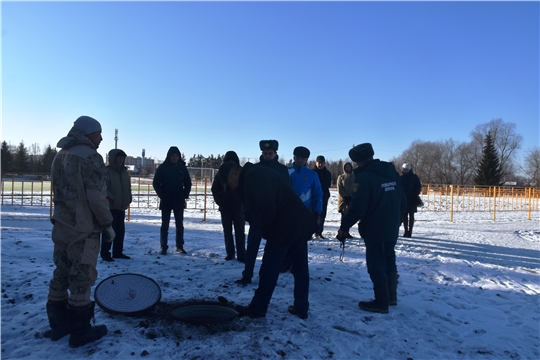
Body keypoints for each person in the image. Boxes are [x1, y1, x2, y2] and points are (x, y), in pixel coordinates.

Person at [218, 160, 317, 319]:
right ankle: (301, 307)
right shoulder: (255, 173)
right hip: (298, 222)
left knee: (269, 268)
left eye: (228, 182)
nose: (230, 187)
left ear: (234, 173)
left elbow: (266, 208)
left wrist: (268, 233)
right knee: (300, 268)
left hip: (283, 225)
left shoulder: (253, 177)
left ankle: (258, 307)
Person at [46, 116, 112, 348]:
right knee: (82, 274)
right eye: (98, 133)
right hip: (83, 227)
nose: (101, 137)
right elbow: (96, 196)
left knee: (61, 271)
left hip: (62, 224)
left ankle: (58, 325)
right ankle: (80, 331)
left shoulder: (60, 155)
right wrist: (106, 223)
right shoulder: (91, 156)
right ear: (87, 134)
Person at [337, 143, 406, 314]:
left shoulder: (364, 177)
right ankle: (391, 297)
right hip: (392, 226)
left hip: (375, 227)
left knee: (376, 264)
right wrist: (398, 219)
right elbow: (402, 199)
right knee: (389, 258)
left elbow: (358, 207)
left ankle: (381, 302)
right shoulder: (391, 172)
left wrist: (344, 227)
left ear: (356, 161)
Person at [235, 140, 290, 285]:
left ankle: (266, 277)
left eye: (270, 153)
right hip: (257, 217)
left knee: (271, 251)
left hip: (275, 218)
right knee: (252, 248)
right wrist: (246, 211)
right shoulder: (255, 169)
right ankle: (247, 275)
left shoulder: (282, 171)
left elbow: (286, 193)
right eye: (265, 153)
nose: (267, 156)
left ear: (276, 153)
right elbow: (247, 192)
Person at [153, 146, 192, 255]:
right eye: (173, 156)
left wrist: (184, 195)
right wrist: (161, 194)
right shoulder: (162, 168)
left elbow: (188, 183)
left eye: (176, 156)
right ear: (169, 156)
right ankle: (163, 246)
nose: (174, 158)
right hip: (166, 200)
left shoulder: (182, 168)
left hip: (178, 200)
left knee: (179, 225)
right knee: (165, 225)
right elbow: (156, 183)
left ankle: (180, 246)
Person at [211, 151, 246, 262]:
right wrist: (220, 202)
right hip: (225, 207)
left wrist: (243, 203)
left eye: (232, 161)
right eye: (229, 161)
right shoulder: (221, 173)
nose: (230, 163)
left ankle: (241, 254)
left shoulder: (240, 172)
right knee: (227, 231)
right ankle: (230, 253)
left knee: (240, 232)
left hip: (238, 207)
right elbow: (214, 189)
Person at [100, 149, 132, 261]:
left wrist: (129, 197)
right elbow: (103, 188)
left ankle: (118, 252)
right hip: (111, 207)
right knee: (109, 231)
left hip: (121, 206)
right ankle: (105, 253)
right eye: (119, 158)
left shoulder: (124, 173)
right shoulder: (107, 172)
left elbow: (128, 187)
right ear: (113, 159)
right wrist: (112, 199)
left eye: (122, 158)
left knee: (120, 232)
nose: (121, 160)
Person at [400, 163, 422, 238]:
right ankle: (406, 231)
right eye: (404, 169)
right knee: (404, 216)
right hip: (404, 199)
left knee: (411, 215)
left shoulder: (414, 177)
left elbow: (418, 186)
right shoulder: (401, 178)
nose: (405, 171)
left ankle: (410, 232)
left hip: (412, 199)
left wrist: (415, 193)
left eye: (406, 169)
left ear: (409, 169)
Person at [313, 155, 331, 239]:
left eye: (322, 163)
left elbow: (327, 185)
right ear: (316, 163)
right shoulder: (312, 173)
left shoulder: (327, 173)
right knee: (312, 214)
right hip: (313, 196)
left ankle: (319, 232)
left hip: (323, 196)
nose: (320, 164)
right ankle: (309, 231)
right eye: (319, 163)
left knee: (322, 214)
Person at [337, 162, 355, 239]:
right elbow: (339, 187)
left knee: (349, 216)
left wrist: (351, 196)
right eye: (346, 167)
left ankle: (347, 231)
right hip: (343, 200)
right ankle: (342, 232)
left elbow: (355, 187)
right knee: (344, 216)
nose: (348, 168)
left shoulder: (354, 177)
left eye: (349, 167)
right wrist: (344, 196)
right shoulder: (341, 177)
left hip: (352, 199)